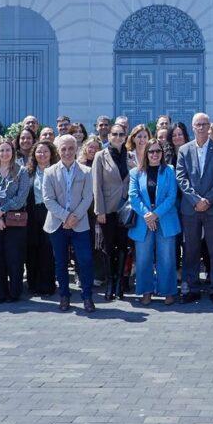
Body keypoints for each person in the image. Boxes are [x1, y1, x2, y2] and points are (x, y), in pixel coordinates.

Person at [175, 113, 213, 304]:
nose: (202, 127)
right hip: (191, 208)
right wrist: (196, 200)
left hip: (212, 209)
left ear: (209, 126)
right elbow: (181, 177)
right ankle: (193, 288)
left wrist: (208, 200)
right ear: (193, 127)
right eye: (198, 124)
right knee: (191, 250)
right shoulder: (184, 150)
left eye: (205, 124)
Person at [42, 134, 97, 312]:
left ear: (76, 149)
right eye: (63, 149)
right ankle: (64, 295)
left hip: (79, 223)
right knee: (60, 262)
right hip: (57, 224)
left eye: (71, 148)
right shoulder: (49, 172)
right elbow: (48, 199)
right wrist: (65, 217)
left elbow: (88, 197)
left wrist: (75, 217)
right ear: (58, 151)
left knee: (85, 260)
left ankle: (87, 296)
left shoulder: (86, 171)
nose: (67, 152)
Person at [128, 139, 181, 305]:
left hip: (165, 219)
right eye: (151, 151)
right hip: (143, 221)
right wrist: (147, 215)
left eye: (158, 151)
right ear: (146, 153)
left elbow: (171, 196)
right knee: (144, 258)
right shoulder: (136, 172)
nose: (155, 154)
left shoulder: (169, 170)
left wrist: (155, 214)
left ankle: (168, 291)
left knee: (167, 257)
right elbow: (133, 196)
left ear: (162, 153)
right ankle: (146, 291)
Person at [0, 139, 31, 304]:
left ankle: (14, 292)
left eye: (8, 150)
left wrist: (1, 211)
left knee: (14, 256)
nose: (4, 153)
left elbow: (21, 197)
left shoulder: (21, 171)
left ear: (13, 152)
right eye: (1, 150)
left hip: (15, 220)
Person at [92, 124, 132, 301]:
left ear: (125, 136)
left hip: (125, 208)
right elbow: (96, 185)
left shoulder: (130, 156)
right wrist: (99, 210)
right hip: (107, 209)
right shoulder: (101, 156)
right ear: (108, 136)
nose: (118, 137)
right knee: (108, 247)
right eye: (114, 134)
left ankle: (120, 283)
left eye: (121, 134)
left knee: (123, 247)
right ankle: (110, 282)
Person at [25, 140, 59, 296]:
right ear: (34, 154)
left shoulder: (57, 171)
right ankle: (32, 284)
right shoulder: (27, 172)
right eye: (39, 151)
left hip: (51, 213)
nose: (42, 154)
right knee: (32, 248)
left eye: (45, 151)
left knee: (47, 249)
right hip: (32, 213)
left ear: (51, 153)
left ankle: (47, 285)